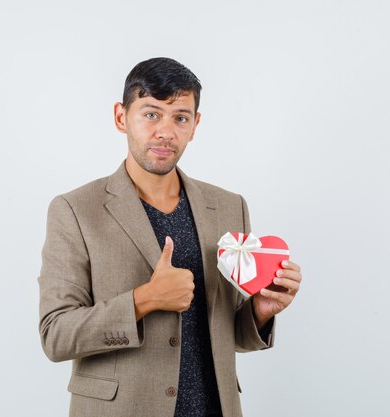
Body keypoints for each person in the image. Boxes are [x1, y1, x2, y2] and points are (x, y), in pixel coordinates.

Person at [38, 57, 302, 417]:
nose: (166, 131)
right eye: (150, 114)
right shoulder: (75, 210)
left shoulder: (229, 207)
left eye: (180, 117)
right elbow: (56, 335)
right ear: (121, 117)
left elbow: (228, 335)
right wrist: (144, 299)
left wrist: (259, 312)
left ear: (195, 125)